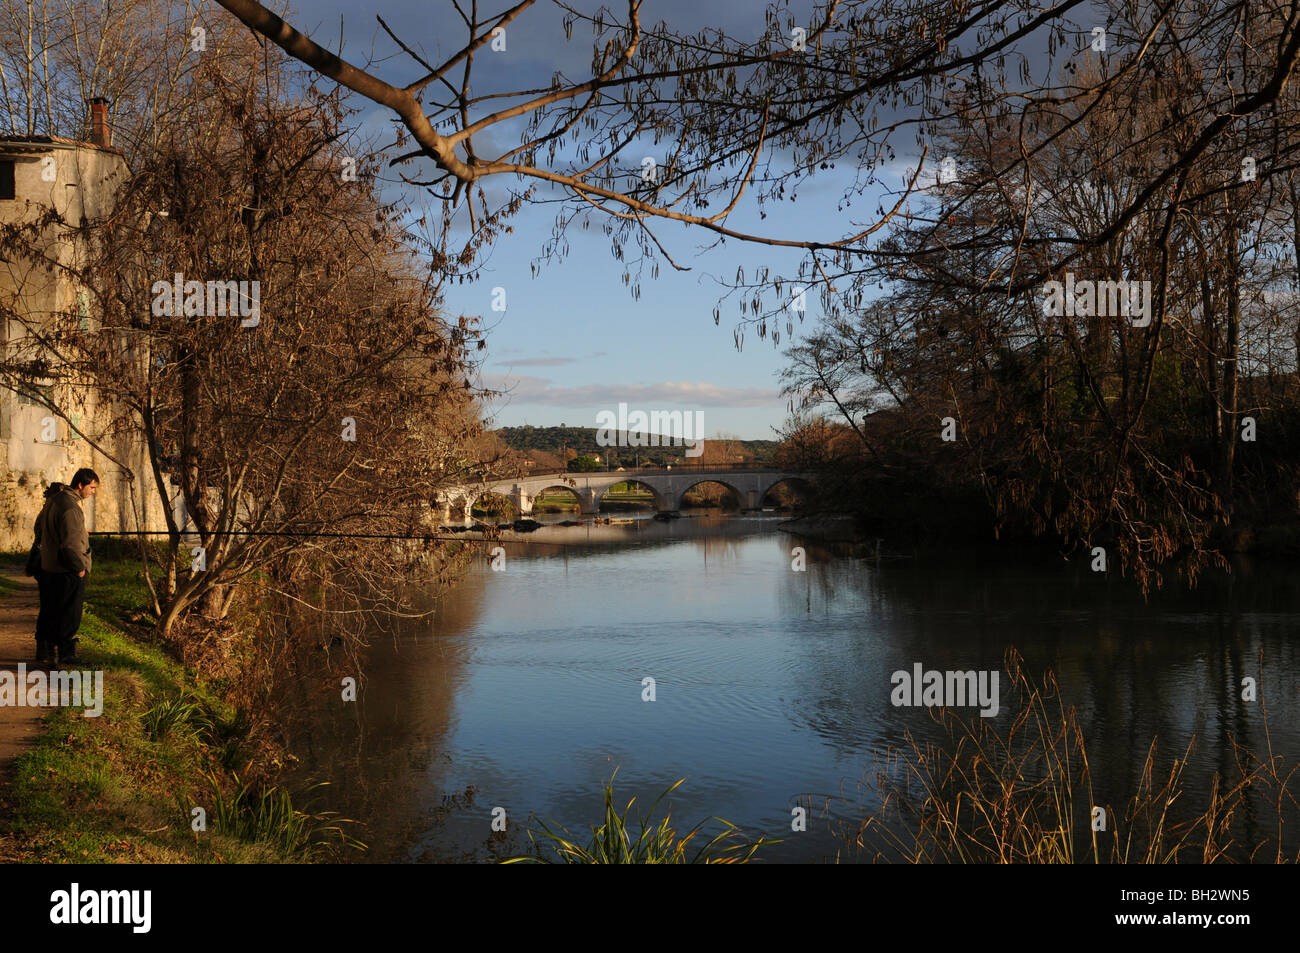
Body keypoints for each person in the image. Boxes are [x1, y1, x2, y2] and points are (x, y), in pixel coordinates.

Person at [33, 468, 98, 665]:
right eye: (92, 487)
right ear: (81, 485)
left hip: (50, 565)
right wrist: (79, 567)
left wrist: (80, 531)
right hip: (67, 568)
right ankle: (66, 652)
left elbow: (42, 528)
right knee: (69, 611)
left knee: (50, 608)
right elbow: (70, 544)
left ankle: (44, 649)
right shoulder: (71, 507)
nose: (93, 492)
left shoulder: (55, 501)